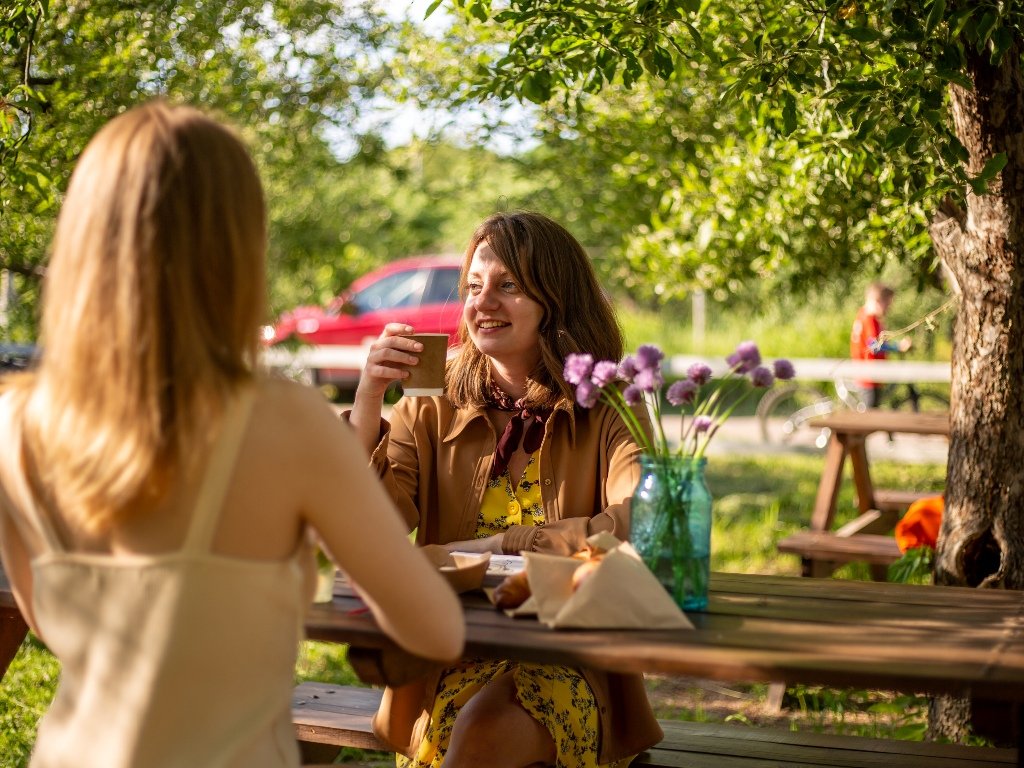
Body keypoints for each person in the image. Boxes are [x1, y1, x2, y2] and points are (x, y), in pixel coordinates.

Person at [0, 102, 464, 768]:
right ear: (235, 247)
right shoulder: (286, 420)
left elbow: (50, 619)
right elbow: (435, 629)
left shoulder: (14, 423)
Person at [348, 211, 663, 768]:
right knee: (475, 727)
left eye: (508, 285)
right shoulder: (429, 402)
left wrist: (495, 546)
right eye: (473, 285)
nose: (482, 302)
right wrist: (370, 400)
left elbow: (638, 521)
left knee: (487, 728)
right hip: (450, 656)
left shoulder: (614, 403)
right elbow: (367, 533)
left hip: (568, 657)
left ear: (556, 299)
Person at [850, 281, 911, 408]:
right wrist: (898, 347)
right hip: (868, 376)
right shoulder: (869, 319)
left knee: (872, 413)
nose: (888, 309)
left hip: (872, 375)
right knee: (869, 417)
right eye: (887, 304)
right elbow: (874, 346)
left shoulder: (865, 316)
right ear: (878, 301)